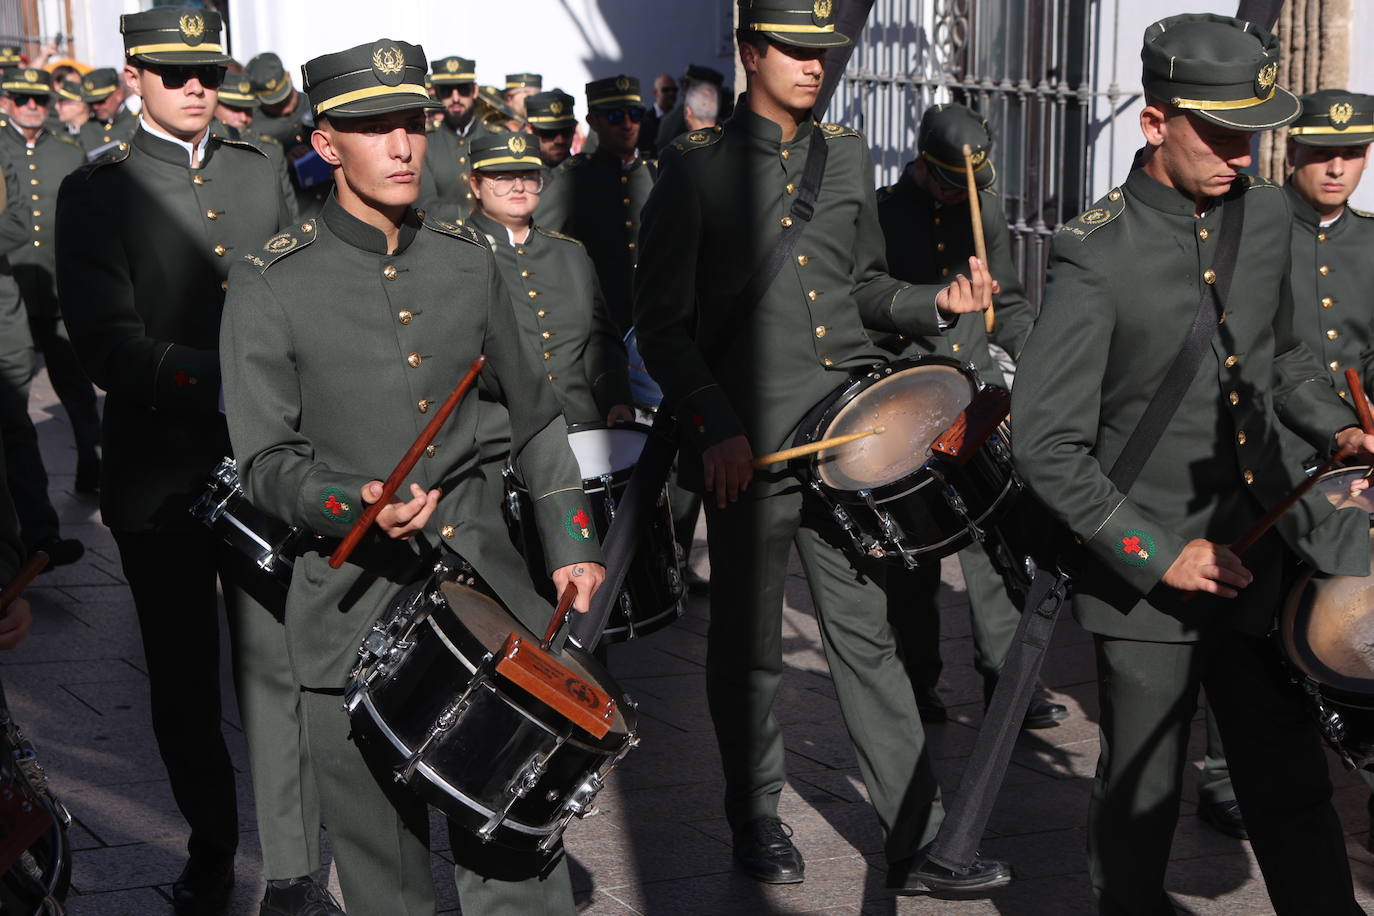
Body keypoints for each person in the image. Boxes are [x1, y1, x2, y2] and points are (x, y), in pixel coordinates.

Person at [220, 37, 607, 915]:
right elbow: (264, 462)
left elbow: (538, 413)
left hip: (488, 592)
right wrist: (344, 502)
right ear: (326, 144)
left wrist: (570, 540)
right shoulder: (272, 281)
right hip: (348, 602)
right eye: (372, 128)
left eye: (412, 124)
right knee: (387, 884)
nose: (400, 146)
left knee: (516, 866)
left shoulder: (469, 256)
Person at [634, 0, 1010, 895]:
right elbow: (661, 324)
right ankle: (755, 815)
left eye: (822, 53)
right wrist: (713, 423)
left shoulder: (845, 156)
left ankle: (916, 840)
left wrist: (937, 305)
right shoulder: (693, 169)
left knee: (867, 638)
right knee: (748, 646)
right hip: (750, 451)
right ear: (750, 51)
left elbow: (868, 290)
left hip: (847, 436)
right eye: (796, 51)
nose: (814, 66)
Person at [1011, 14, 1374, 915]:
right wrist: (1158, 552)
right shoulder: (1096, 254)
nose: (1239, 155)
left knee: (1292, 788)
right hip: (1149, 582)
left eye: (1250, 134)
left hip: (1261, 552)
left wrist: (1337, 431)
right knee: (1141, 807)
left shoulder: (1267, 215)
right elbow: (1044, 442)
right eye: (1217, 133)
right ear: (1155, 123)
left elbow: (1286, 357)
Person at [54, 10, 330, 914]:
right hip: (163, 473)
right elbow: (103, 343)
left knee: (276, 671)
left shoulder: (258, 168)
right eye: (174, 73)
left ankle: (290, 864)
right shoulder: (98, 189)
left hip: (266, 468)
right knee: (180, 684)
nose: (196, 87)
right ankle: (213, 845)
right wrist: (225, 384)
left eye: (206, 69)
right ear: (134, 75)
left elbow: (298, 289)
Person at [872, 102, 1065, 729]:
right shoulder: (877, 214)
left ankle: (1007, 685)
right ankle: (917, 680)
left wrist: (1037, 357)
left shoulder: (985, 212)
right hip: (908, 402)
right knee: (913, 560)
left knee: (996, 543)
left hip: (976, 398)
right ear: (924, 168)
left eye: (971, 186)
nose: (963, 197)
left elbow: (1004, 303)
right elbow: (867, 307)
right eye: (953, 184)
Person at [465, 129, 632, 479]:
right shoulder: (457, 254)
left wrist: (615, 396)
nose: (519, 186)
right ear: (476, 184)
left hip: (583, 432)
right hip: (500, 442)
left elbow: (601, 340)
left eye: (528, 176)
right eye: (503, 177)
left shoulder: (570, 253)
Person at [0, 67, 102, 496]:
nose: (31, 107)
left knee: (76, 387)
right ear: (7, 101)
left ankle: (93, 470)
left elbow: (86, 222)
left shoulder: (66, 150)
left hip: (58, 287)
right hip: (12, 291)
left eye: (39, 100)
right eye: (22, 99)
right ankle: (18, 488)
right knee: (12, 395)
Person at [536, 74, 655, 334]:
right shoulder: (573, 178)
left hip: (653, 319)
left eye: (634, 114)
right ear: (594, 122)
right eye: (615, 117)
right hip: (598, 323)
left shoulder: (656, 174)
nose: (627, 124)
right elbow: (540, 244)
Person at [419, 54, 486, 221]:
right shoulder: (425, 142)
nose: (455, 98)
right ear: (436, 93)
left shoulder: (496, 136)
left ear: (475, 90)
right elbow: (425, 206)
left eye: (463, 89)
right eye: (447, 91)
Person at [77, 67, 136, 154]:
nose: (96, 107)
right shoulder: (86, 129)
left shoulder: (137, 123)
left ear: (118, 94)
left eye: (100, 101)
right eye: (91, 102)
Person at [526, 89, 578, 167]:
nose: (560, 140)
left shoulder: (588, 171)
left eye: (566, 132)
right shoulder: (517, 174)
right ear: (530, 130)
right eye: (550, 133)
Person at [638, 74, 677, 156]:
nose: (671, 93)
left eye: (674, 90)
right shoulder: (643, 121)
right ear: (655, 92)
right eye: (665, 90)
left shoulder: (682, 120)